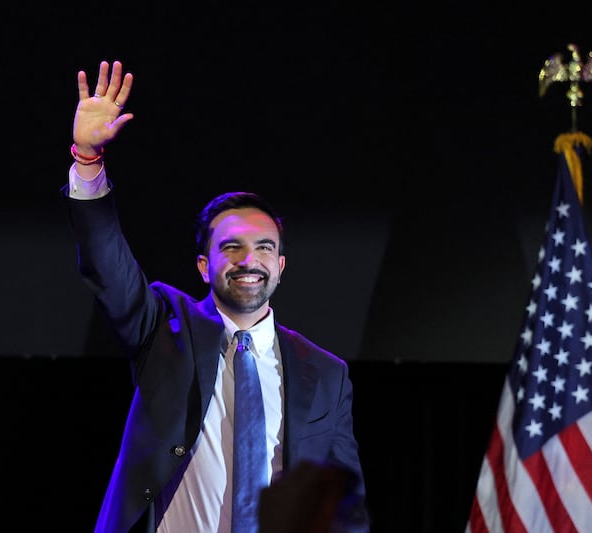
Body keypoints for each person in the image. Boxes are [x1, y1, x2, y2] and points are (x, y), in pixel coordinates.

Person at [62, 59, 370, 533]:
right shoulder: (165, 327)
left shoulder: (327, 373)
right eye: (231, 247)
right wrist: (88, 161)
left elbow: (345, 504)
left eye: (264, 248)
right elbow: (107, 266)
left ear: (280, 266)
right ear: (204, 266)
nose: (249, 260)